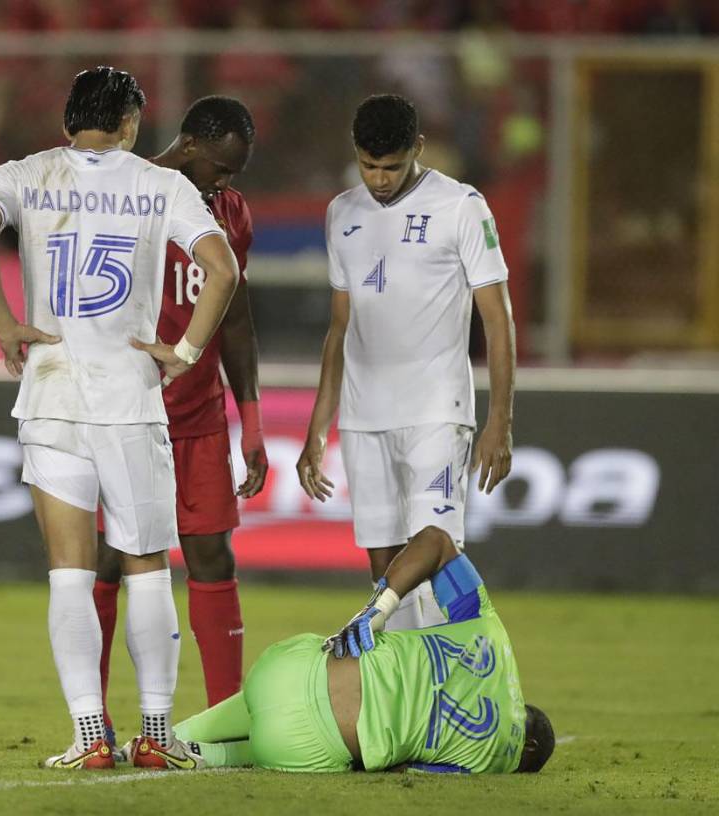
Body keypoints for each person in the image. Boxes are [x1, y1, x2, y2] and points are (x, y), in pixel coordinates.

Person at [0, 66, 240, 770]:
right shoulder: (160, 184)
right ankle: (156, 734)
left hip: (52, 396)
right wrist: (185, 351)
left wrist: (5, 326)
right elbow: (223, 269)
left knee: (68, 574)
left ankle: (90, 736)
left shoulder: (24, 174)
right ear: (131, 125)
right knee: (147, 568)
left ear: (68, 121)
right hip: (128, 398)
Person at [297, 93, 516, 633]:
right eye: (368, 165)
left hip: (436, 408)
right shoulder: (342, 212)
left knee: (436, 549)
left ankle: (456, 665)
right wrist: (318, 428)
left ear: (417, 148)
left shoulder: (461, 206)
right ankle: (411, 679)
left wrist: (500, 420)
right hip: (364, 414)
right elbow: (340, 327)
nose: (379, 179)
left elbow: (498, 319)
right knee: (385, 573)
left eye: (391, 167)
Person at [94, 97, 267, 742]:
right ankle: (94, 723)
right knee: (109, 561)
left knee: (212, 556)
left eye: (234, 173)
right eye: (219, 167)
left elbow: (237, 320)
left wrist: (252, 422)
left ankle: (226, 724)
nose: (224, 183)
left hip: (199, 415)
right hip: (130, 413)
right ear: (189, 145)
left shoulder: (231, 213)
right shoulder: (128, 196)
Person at [172, 537, 555, 775]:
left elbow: (436, 541)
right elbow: (407, 770)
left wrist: (379, 609)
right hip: (300, 746)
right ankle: (209, 756)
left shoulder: (491, 632)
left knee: (257, 697)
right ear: (529, 748)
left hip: (283, 672)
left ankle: (170, 737)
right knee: (299, 753)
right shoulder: (490, 761)